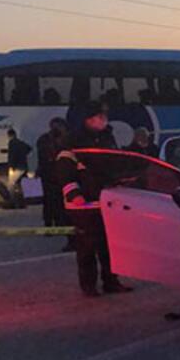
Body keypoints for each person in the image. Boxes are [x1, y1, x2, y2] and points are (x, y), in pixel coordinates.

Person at [57, 101, 131, 296]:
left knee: (109, 247)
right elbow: (64, 172)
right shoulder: (73, 142)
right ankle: (88, 286)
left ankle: (111, 281)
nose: (104, 120)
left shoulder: (107, 138)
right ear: (89, 119)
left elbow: (113, 165)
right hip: (83, 205)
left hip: (106, 200)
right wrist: (75, 194)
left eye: (104, 117)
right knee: (86, 248)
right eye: (100, 117)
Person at [37, 118, 72, 250]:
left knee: (51, 201)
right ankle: (55, 224)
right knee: (55, 201)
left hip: (51, 175)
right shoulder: (58, 140)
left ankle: (52, 225)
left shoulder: (44, 139)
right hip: (54, 175)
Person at [5, 128, 32, 209]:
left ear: (9, 135)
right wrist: (23, 155)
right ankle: (22, 203)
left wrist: (11, 167)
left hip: (16, 167)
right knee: (20, 185)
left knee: (10, 184)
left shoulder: (11, 143)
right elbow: (29, 148)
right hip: (23, 166)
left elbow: (12, 156)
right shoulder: (20, 142)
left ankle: (13, 202)